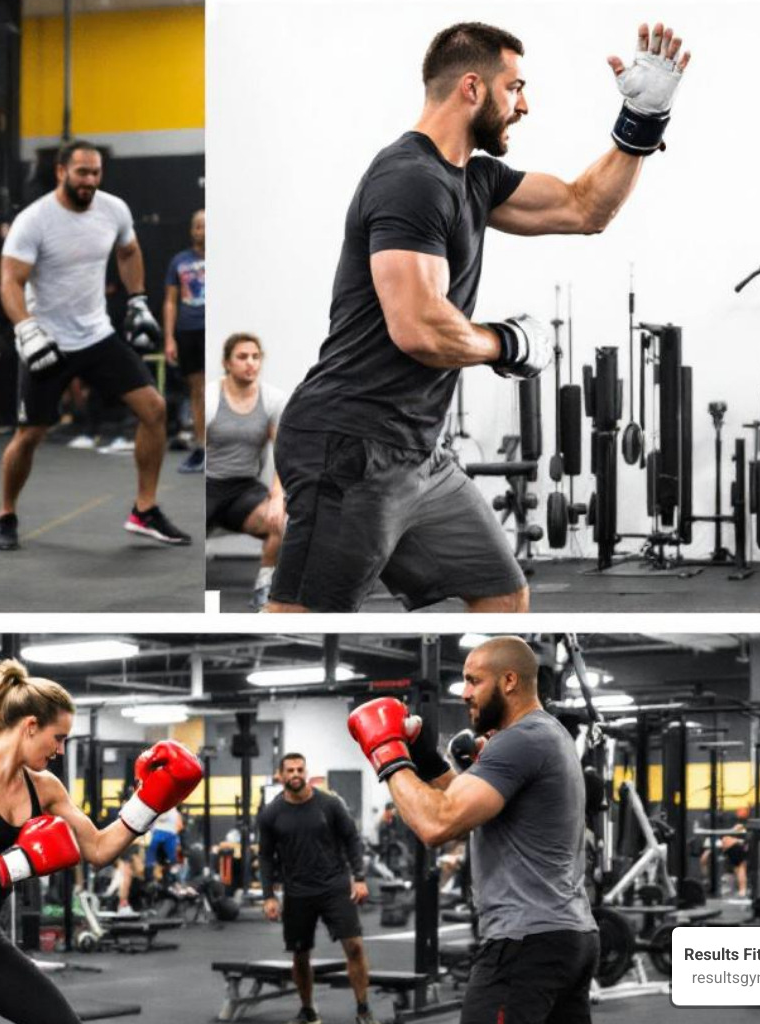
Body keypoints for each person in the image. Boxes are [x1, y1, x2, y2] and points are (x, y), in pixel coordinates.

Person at [267, 21, 691, 613]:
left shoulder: (474, 179)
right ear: (472, 88)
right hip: (351, 443)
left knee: (502, 593)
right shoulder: (409, 179)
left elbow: (584, 206)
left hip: (419, 452)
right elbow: (417, 327)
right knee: (305, 616)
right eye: (514, 87)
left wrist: (642, 124)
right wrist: (506, 343)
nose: (524, 105)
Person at [0, 658, 203, 1024]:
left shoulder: (44, 788)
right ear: (30, 726)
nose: (59, 750)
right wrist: (17, 864)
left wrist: (148, 805)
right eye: (57, 738)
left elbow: (100, 849)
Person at [348, 636, 598, 1024]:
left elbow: (437, 824)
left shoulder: (519, 740)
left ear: (509, 681)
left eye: (473, 681)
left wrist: (388, 754)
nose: (464, 693)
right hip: (568, 936)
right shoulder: (548, 734)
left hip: (524, 942)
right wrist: (425, 758)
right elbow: (466, 805)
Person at [0, 139, 190, 551]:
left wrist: (137, 300)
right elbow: (10, 280)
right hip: (47, 339)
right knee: (29, 435)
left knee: (154, 409)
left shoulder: (113, 210)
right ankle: (6, 514)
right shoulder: (35, 220)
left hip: (97, 334)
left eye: (96, 172)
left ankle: (145, 509)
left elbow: (129, 250)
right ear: (61, 172)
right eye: (82, 172)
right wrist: (26, 328)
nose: (90, 180)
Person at [258, 752, 377, 1024]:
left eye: (300, 769)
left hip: (335, 886)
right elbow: (265, 857)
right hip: (297, 891)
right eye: (290, 770)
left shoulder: (330, 804)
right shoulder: (271, 814)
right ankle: (308, 1010)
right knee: (300, 955)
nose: (296, 774)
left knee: (355, 947)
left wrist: (358, 877)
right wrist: (268, 896)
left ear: (306, 771)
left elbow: (351, 839)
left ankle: (363, 1009)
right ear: (281, 775)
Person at [205, 332, 287, 610]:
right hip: (206, 486)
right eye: (242, 357)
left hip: (243, 490)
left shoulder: (273, 400)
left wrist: (277, 499)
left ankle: (264, 586)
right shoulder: (211, 398)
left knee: (283, 522)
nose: (250, 363)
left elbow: (283, 456)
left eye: (255, 357)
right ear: (227, 363)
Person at [164, 208, 206, 473]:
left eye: (207, 225)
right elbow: (169, 302)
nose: (203, 230)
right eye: (198, 226)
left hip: (214, 328)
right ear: (192, 231)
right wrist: (169, 338)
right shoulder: (179, 261)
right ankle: (202, 447)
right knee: (197, 389)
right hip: (188, 330)